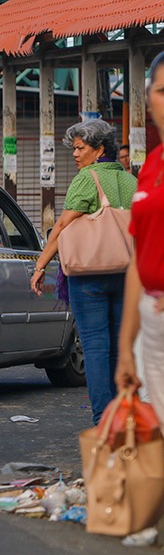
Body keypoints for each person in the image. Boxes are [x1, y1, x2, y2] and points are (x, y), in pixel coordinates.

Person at [30, 119, 137, 424]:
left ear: (99, 149)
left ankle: (104, 419)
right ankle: (122, 414)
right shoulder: (131, 181)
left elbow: (62, 225)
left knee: (95, 347)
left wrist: (41, 266)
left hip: (88, 276)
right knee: (119, 346)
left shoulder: (87, 179)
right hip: (126, 273)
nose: (75, 154)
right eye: (73, 148)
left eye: (80, 148)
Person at [115, 50, 164, 424]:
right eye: (163, 90)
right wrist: (126, 347)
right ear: (148, 99)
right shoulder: (151, 166)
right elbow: (138, 259)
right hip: (152, 322)